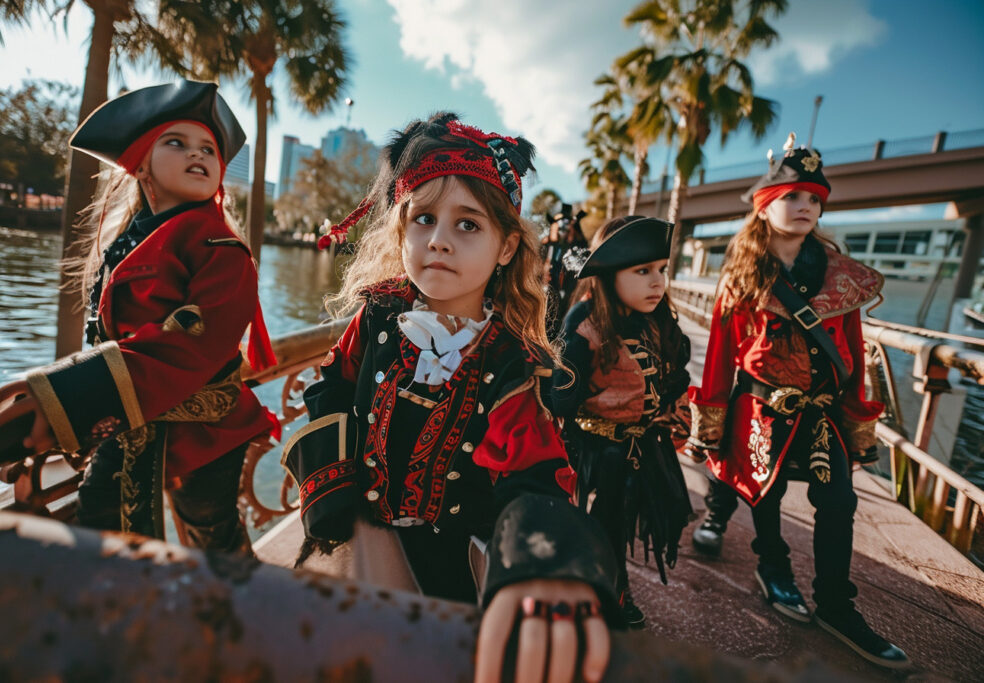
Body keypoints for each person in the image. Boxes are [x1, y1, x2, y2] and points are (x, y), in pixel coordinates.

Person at [282, 112, 619, 683]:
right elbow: (332, 384)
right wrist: (329, 484)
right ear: (400, 230)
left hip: (449, 569)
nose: (438, 239)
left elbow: (534, 478)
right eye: (423, 219)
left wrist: (542, 564)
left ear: (507, 246)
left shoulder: (512, 364)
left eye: (468, 225)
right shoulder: (377, 317)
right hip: (355, 538)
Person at [0, 80, 279, 554]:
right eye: (176, 142)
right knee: (104, 522)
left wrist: (69, 394)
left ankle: (237, 618)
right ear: (140, 164)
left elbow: (192, 343)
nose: (197, 153)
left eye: (208, 147)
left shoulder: (223, 250)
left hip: (204, 429)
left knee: (209, 532)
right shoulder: (127, 241)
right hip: (130, 415)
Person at [685, 133, 909, 668]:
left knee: (839, 504)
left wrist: (857, 422)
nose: (805, 205)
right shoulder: (741, 275)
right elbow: (720, 354)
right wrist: (709, 423)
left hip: (823, 412)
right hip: (760, 408)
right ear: (765, 208)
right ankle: (774, 569)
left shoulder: (841, 279)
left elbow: (851, 353)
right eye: (791, 196)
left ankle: (835, 603)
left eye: (813, 197)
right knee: (766, 494)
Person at [551, 215, 694, 629]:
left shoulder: (659, 321)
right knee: (597, 523)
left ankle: (611, 584)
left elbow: (674, 378)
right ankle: (604, 587)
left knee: (619, 518)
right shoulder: (585, 322)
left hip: (643, 448)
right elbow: (561, 396)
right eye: (643, 271)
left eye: (662, 271)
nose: (657, 282)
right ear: (609, 274)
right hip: (593, 449)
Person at [540, 202, 587, 339]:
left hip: (568, 290)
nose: (564, 225)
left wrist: (576, 225)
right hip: (547, 288)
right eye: (560, 221)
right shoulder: (545, 244)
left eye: (567, 221)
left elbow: (584, 250)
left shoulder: (576, 245)